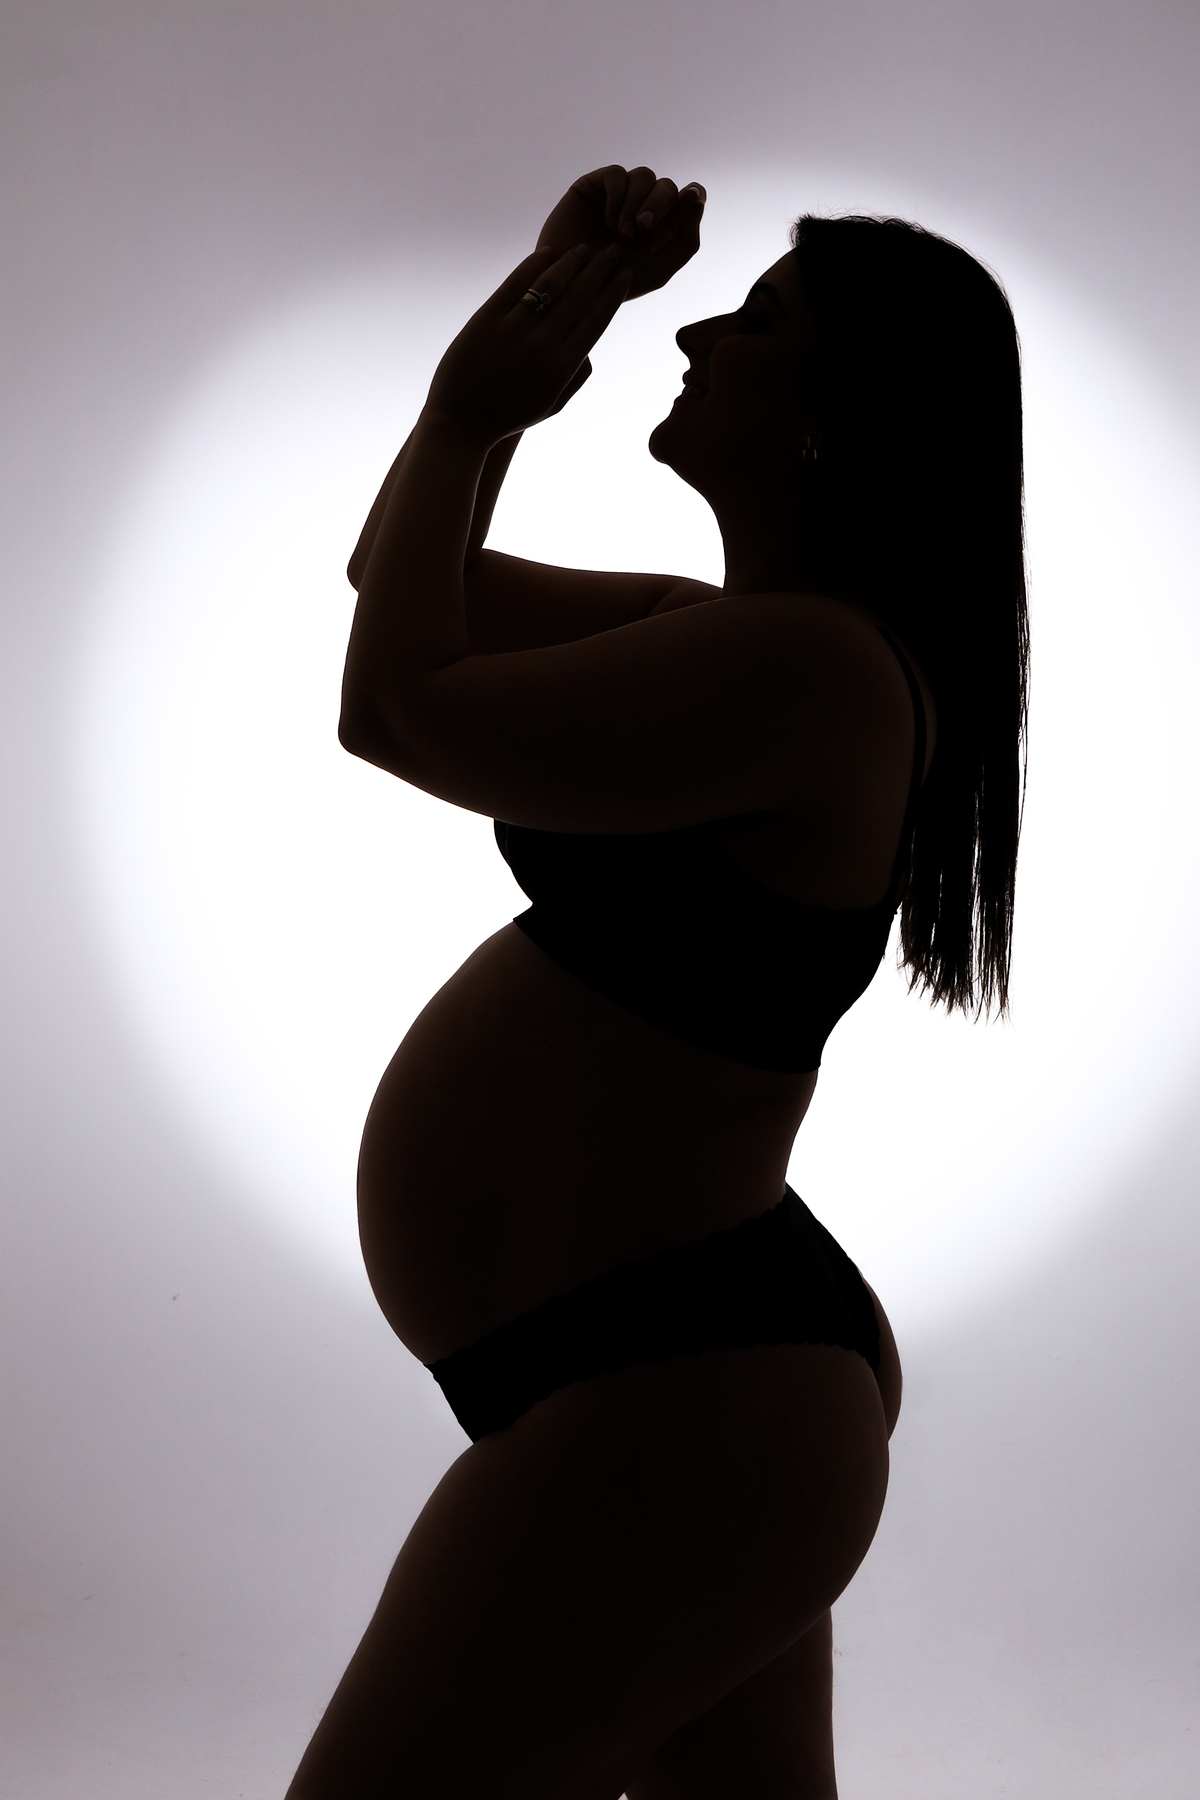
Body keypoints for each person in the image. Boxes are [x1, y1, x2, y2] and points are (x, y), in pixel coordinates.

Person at [285, 163, 1028, 1799]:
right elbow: (396, 579)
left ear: (835, 418)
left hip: (682, 1395)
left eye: (753, 321)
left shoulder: (810, 672)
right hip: (701, 1388)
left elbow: (392, 709)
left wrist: (472, 405)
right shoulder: (729, 641)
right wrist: (545, 310)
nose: (693, 334)